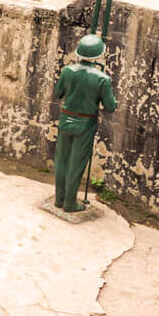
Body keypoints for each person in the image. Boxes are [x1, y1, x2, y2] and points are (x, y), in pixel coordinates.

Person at [52, 35, 117, 212]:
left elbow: (58, 93)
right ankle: (70, 202)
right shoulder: (102, 79)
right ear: (99, 55)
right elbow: (110, 106)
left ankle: (59, 198)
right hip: (85, 122)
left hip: (66, 119)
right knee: (77, 163)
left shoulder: (67, 71)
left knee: (62, 160)